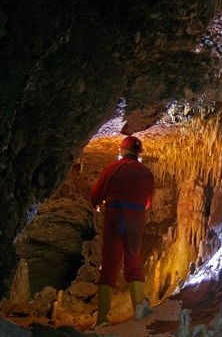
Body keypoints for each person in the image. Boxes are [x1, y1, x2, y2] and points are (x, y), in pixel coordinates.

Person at [90, 135, 154, 326]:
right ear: (138, 153)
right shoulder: (146, 173)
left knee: (109, 263)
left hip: (115, 214)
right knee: (134, 261)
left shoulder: (111, 168)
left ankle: (102, 319)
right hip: (136, 216)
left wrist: (98, 205)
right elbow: (148, 202)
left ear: (121, 151)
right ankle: (139, 311)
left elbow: (95, 195)